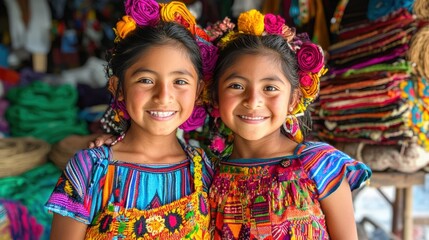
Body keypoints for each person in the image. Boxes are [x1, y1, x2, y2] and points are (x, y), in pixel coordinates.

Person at [45, 1, 216, 239]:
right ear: (118, 88)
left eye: (180, 81)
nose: (163, 96)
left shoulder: (205, 170)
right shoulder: (91, 170)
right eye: (146, 80)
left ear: (198, 91)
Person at [206, 10, 372, 240]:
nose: (253, 101)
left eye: (270, 88)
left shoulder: (320, 165)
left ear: (293, 100)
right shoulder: (210, 175)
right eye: (236, 86)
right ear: (215, 96)